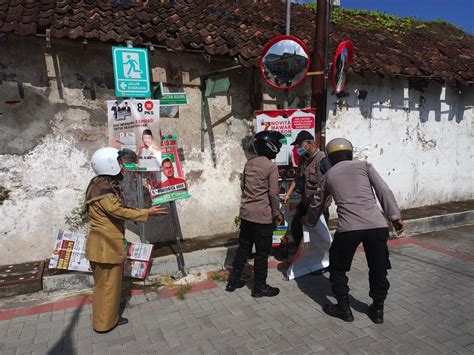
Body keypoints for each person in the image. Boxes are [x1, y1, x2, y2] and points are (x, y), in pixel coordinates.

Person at [302, 138, 404, 324]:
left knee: (338, 268)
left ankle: (343, 308)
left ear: (331, 158)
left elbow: (317, 203)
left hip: (348, 228)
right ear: (350, 153)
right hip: (377, 225)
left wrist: (308, 221)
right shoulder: (365, 166)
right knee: (378, 267)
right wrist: (394, 217)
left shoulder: (329, 175)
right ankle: (378, 309)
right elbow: (383, 190)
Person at [84, 147, 167, 333]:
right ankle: (104, 324)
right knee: (109, 288)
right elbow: (119, 211)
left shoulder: (98, 183)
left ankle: (104, 319)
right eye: (120, 163)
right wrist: (147, 212)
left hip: (100, 245)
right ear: (110, 164)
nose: (122, 167)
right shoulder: (105, 191)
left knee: (102, 287)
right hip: (106, 246)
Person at [226, 130, 285, 298]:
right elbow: (273, 194)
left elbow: (243, 186)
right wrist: (277, 213)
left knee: (243, 249)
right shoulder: (271, 166)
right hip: (263, 217)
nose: (279, 147)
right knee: (261, 254)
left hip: (246, 215)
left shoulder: (249, 163)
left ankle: (233, 282)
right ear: (270, 146)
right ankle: (259, 287)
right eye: (278, 144)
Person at [282, 130, 331, 248]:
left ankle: (321, 258)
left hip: (319, 206)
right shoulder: (303, 159)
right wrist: (288, 194)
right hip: (305, 201)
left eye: (299, 144)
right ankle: (301, 253)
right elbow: (297, 177)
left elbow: (332, 181)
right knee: (296, 227)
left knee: (319, 234)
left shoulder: (322, 159)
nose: (298, 147)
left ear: (308, 144)